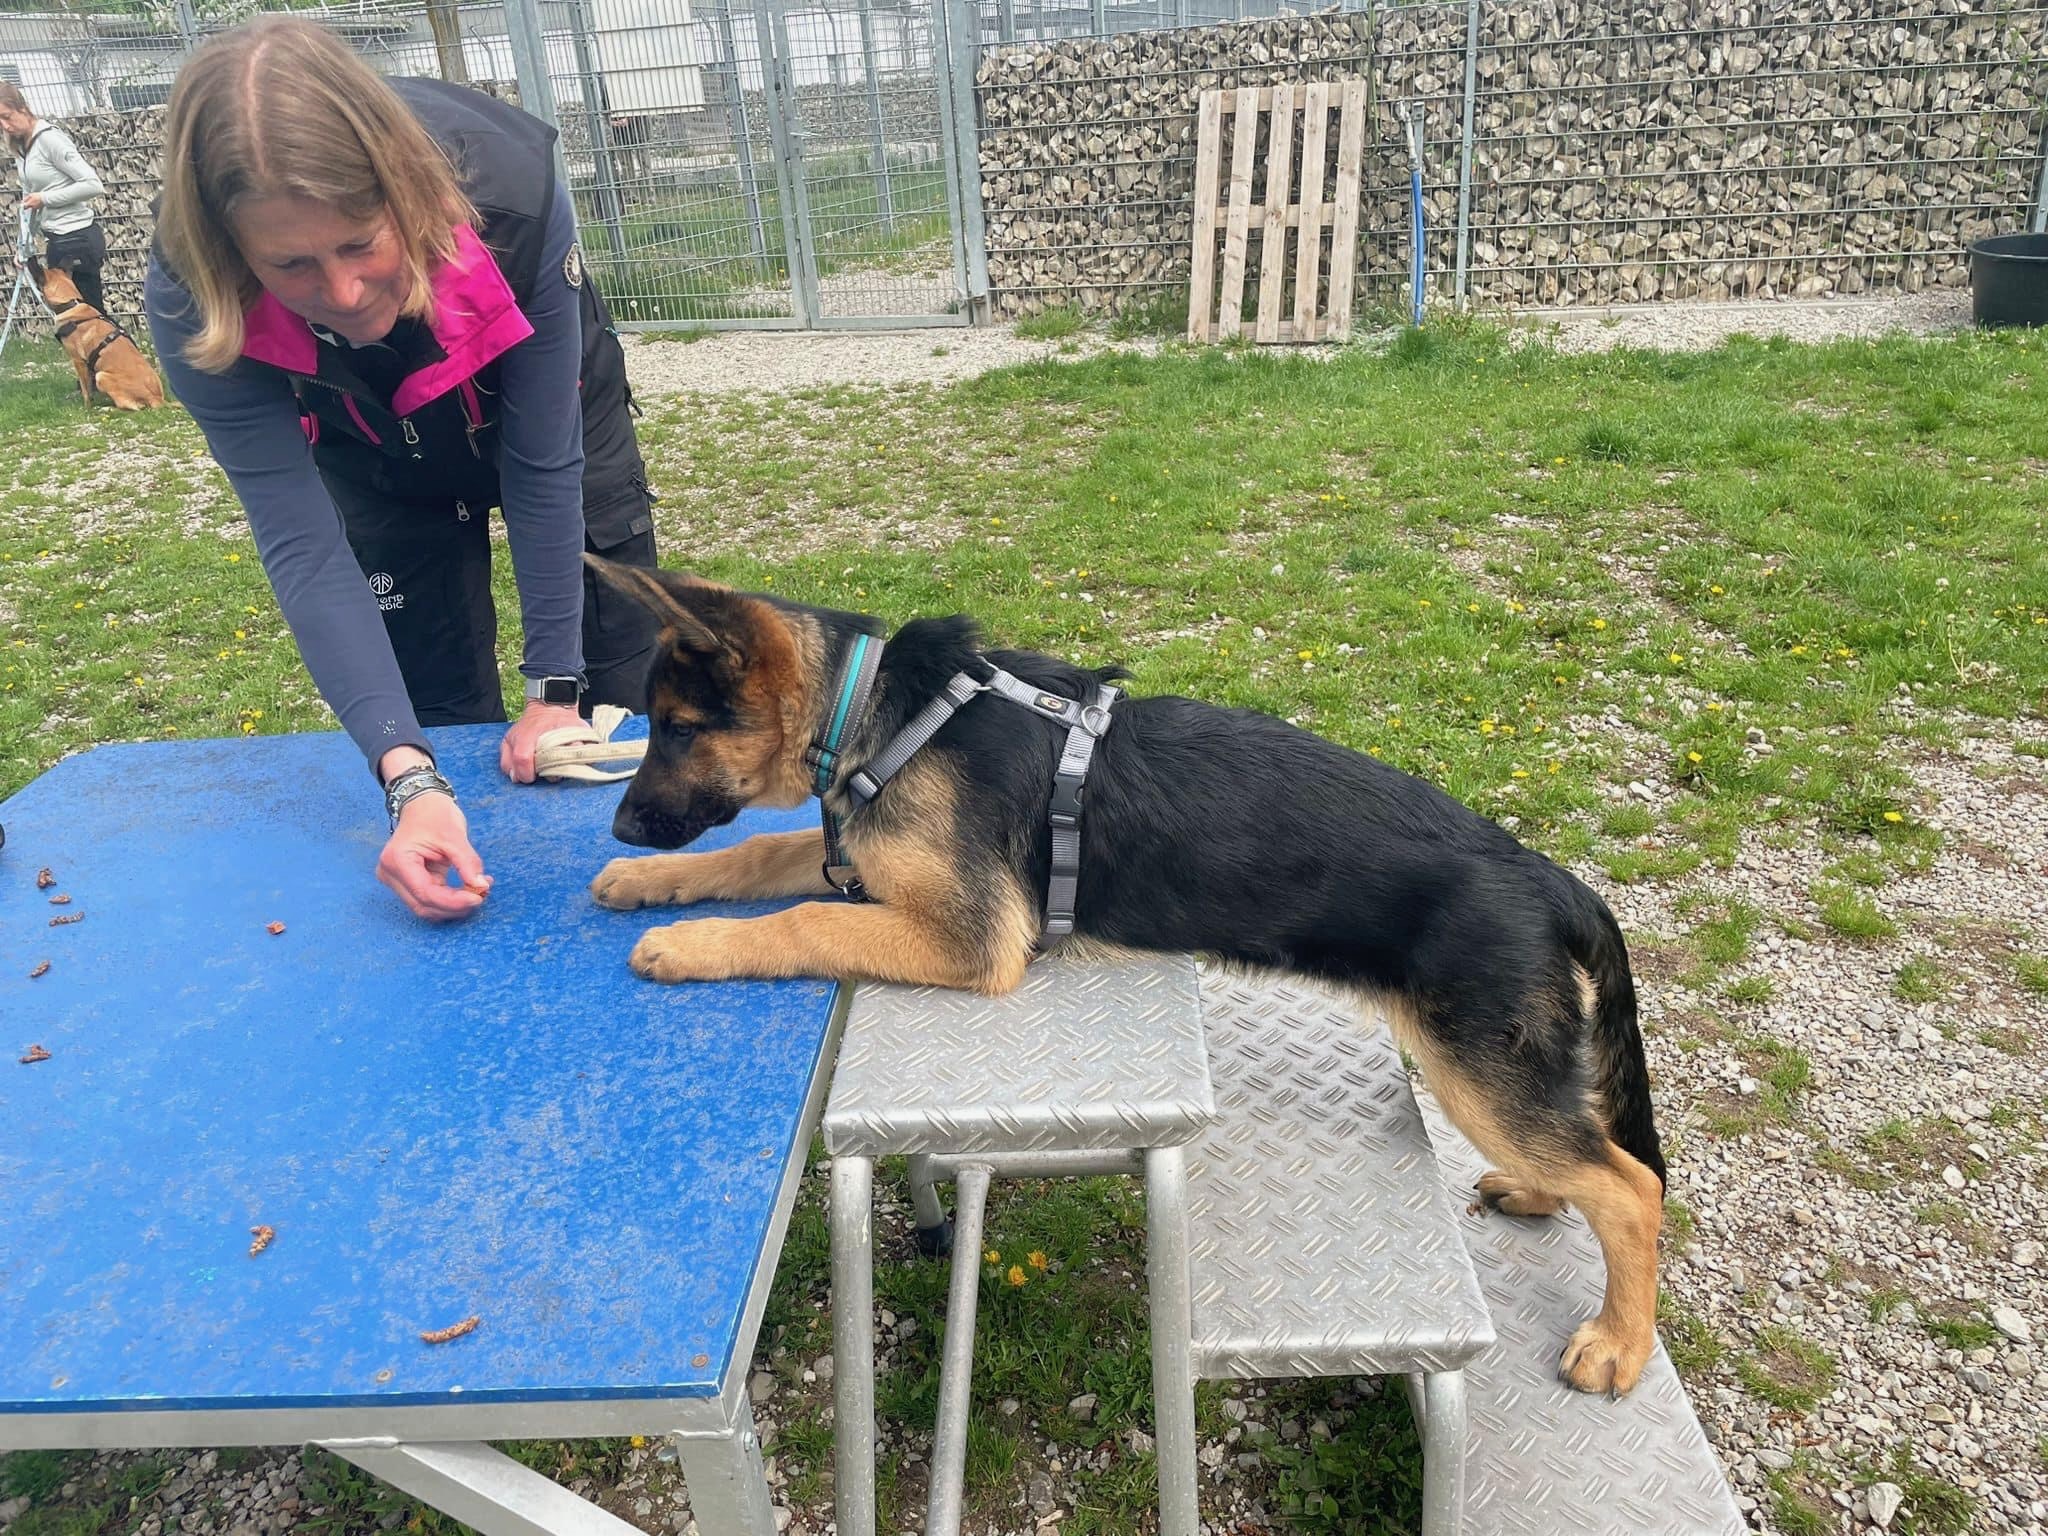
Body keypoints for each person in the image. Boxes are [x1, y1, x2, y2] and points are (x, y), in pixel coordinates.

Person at [146, 16, 661, 922]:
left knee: (610, 705)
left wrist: (553, 689)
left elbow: (544, 463)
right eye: (291, 264)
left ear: (406, 198)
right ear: (234, 253)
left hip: (540, 409)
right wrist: (408, 777)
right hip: (370, 446)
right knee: (436, 706)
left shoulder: (515, 192)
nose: (342, 295)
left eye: (358, 245)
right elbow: (301, 545)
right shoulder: (192, 295)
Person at [1, 83, 109, 313]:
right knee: (71, 322)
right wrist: (23, 248)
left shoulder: (50, 139)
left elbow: (93, 185)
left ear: (21, 108)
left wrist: (46, 198)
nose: (4, 126)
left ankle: (124, 351)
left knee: (91, 319)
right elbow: (29, 202)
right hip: (57, 243)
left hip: (78, 239)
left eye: (6, 117)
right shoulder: (22, 148)